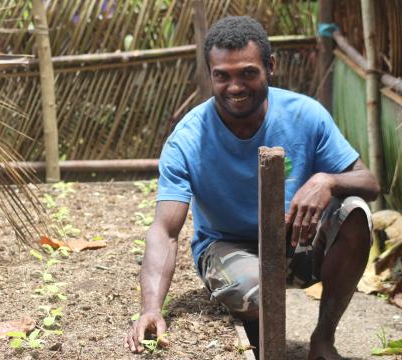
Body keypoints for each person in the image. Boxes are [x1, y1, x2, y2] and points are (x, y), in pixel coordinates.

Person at [124, 16, 380, 360]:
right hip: (227, 246)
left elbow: (370, 183)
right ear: (210, 74)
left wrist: (328, 180)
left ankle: (323, 340)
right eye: (222, 76)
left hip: (296, 239)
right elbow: (165, 231)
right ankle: (261, 347)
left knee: (355, 213)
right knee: (257, 293)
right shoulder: (187, 139)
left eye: (247, 72)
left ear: (270, 66)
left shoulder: (306, 115)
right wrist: (151, 309)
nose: (235, 86)